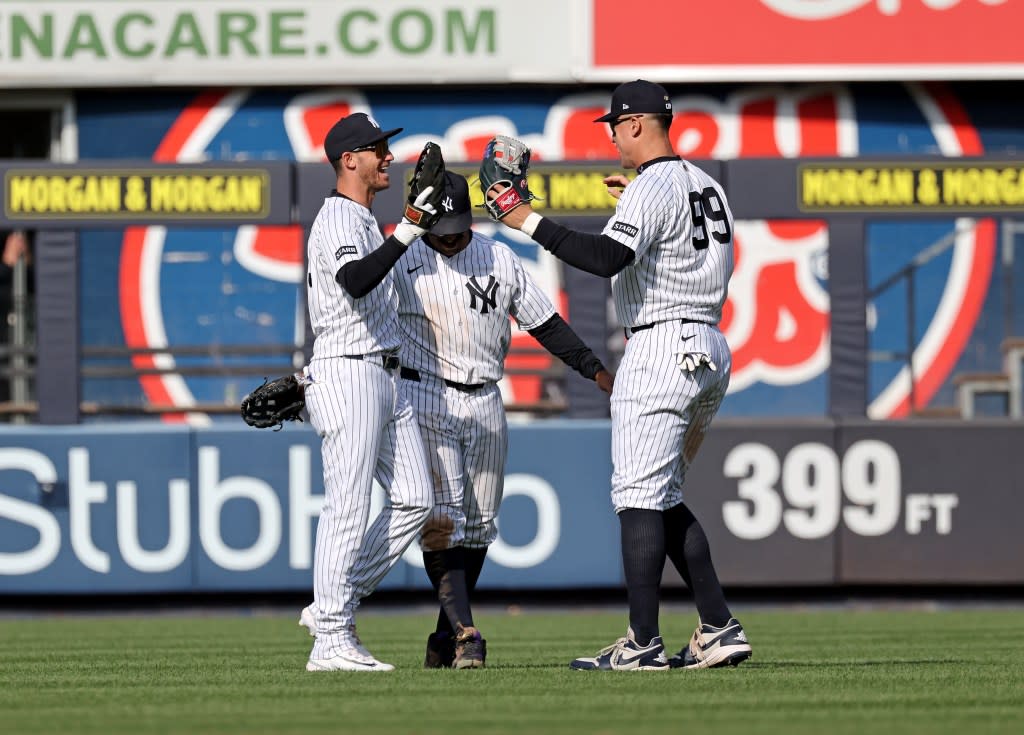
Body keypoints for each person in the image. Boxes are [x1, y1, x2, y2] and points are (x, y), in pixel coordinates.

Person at [484, 80, 752, 671]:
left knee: (637, 497)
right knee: (664, 495)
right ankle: (717, 625)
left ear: (634, 125)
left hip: (661, 347)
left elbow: (606, 259)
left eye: (614, 126)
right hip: (708, 344)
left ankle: (641, 643)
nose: (612, 137)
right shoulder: (706, 184)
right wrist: (637, 205)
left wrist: (525, 219)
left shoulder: (651, 187)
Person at [301, 172, 615, 669]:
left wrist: (594, 369)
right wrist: (322, 380)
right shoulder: (402, 258)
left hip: (486, 396)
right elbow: (351, 313)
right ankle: (465, 632)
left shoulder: (497, 257)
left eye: (456, 224)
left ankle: (444, 633)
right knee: (442, 518)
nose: (448, 234)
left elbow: (545, 323)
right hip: (424, 392)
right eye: (439, 224)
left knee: (481, 525)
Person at [302, 112, 443, 672]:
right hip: (349, 371)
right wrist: (409, 225)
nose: (388, 157)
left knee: (416, 499)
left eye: (385, 147)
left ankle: (332, 604)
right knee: (347, 507)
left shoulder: (362, 219)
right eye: (377, 148)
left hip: (385, 375)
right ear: (348, 160)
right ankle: (331, 640)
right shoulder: (337, 217)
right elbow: (355, 281)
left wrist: (404, 229)